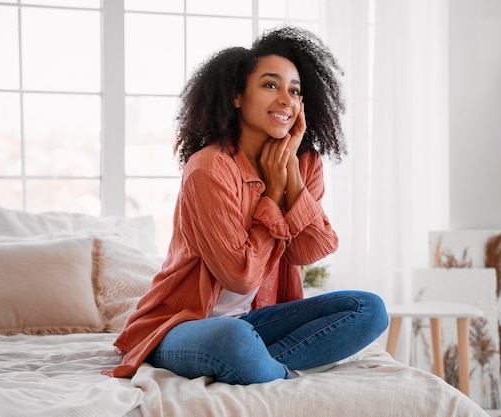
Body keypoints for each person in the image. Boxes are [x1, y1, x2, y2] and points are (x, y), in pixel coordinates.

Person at [109, 26, 388, 384]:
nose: (286, 99)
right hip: (181, 325)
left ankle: (260, 367)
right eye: (270, 85)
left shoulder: (305, 164)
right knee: (232, 339)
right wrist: (272, 196)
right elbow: (240, 277)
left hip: (257, 322)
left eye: (295, 90)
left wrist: (291, 176)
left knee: (369, 309)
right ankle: (275, 371)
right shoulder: (209, 167)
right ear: (237, 95)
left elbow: (310, 249)